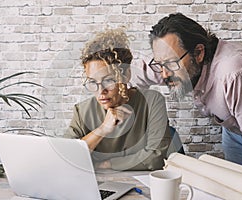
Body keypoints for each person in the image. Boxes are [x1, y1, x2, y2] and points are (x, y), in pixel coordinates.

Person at [132, 13, 242, 169]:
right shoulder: (172, 62)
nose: (164, 74)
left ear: (198, 53)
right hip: (234, 130)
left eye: (170, 63)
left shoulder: (235, 75)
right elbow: (136, 72)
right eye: (159, 64)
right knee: (239, 183)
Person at [64, 28, 174, 171]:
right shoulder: (82, 111)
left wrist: (107, 165)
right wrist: (103, 129)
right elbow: (67, 156)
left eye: (109, 80)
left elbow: (156, 157)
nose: (100, 91)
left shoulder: (152, 101)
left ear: (126, 74)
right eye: (92, 82)